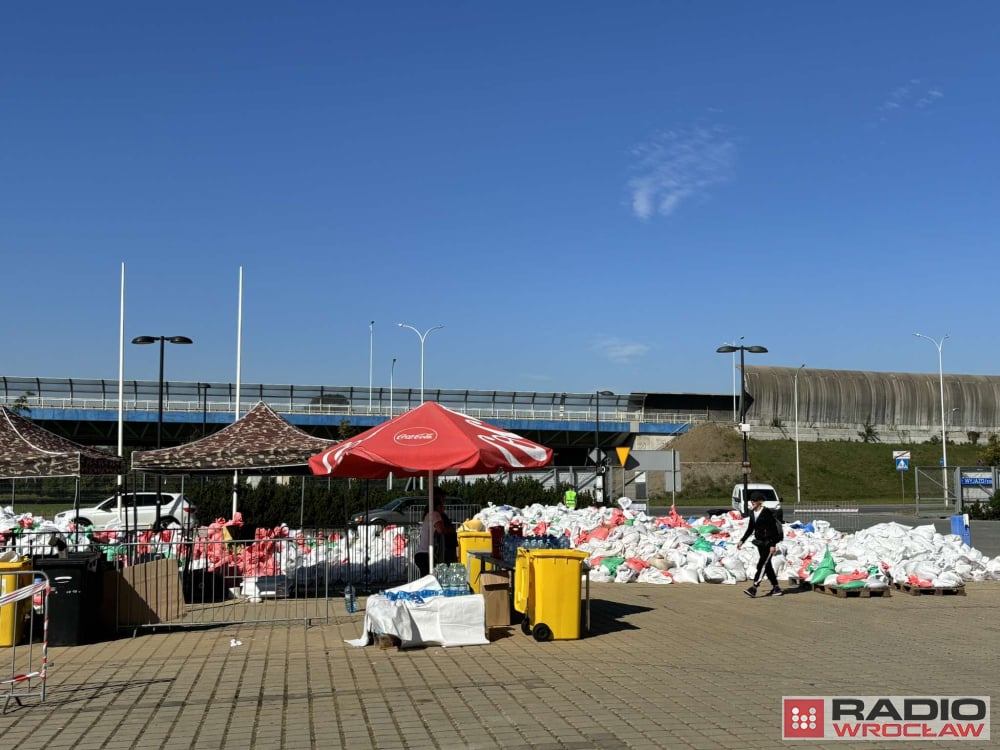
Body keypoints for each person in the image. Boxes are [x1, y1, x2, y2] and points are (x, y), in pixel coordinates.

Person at [736, 491, 783, 598]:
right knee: (767, 566)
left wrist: (772, 545)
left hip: (768, 543)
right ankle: (776, 588)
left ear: (760, 501)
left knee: (761, 565)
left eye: (755, 500)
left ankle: (754, 587)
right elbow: (750, 528)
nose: (752, 502)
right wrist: (742, 540)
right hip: (760, 543)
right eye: (751, 500)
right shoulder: (752, 513)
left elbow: (773, 530)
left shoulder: (766, 513)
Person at [414, 488, 456, 576]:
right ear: (438, 505)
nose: (444, 507)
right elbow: (441, 530)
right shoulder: (435, 514)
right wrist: (450, 530)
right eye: (442, 505)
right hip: (426, 554)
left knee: (426, 579)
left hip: (422, 554)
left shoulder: (428, 514)